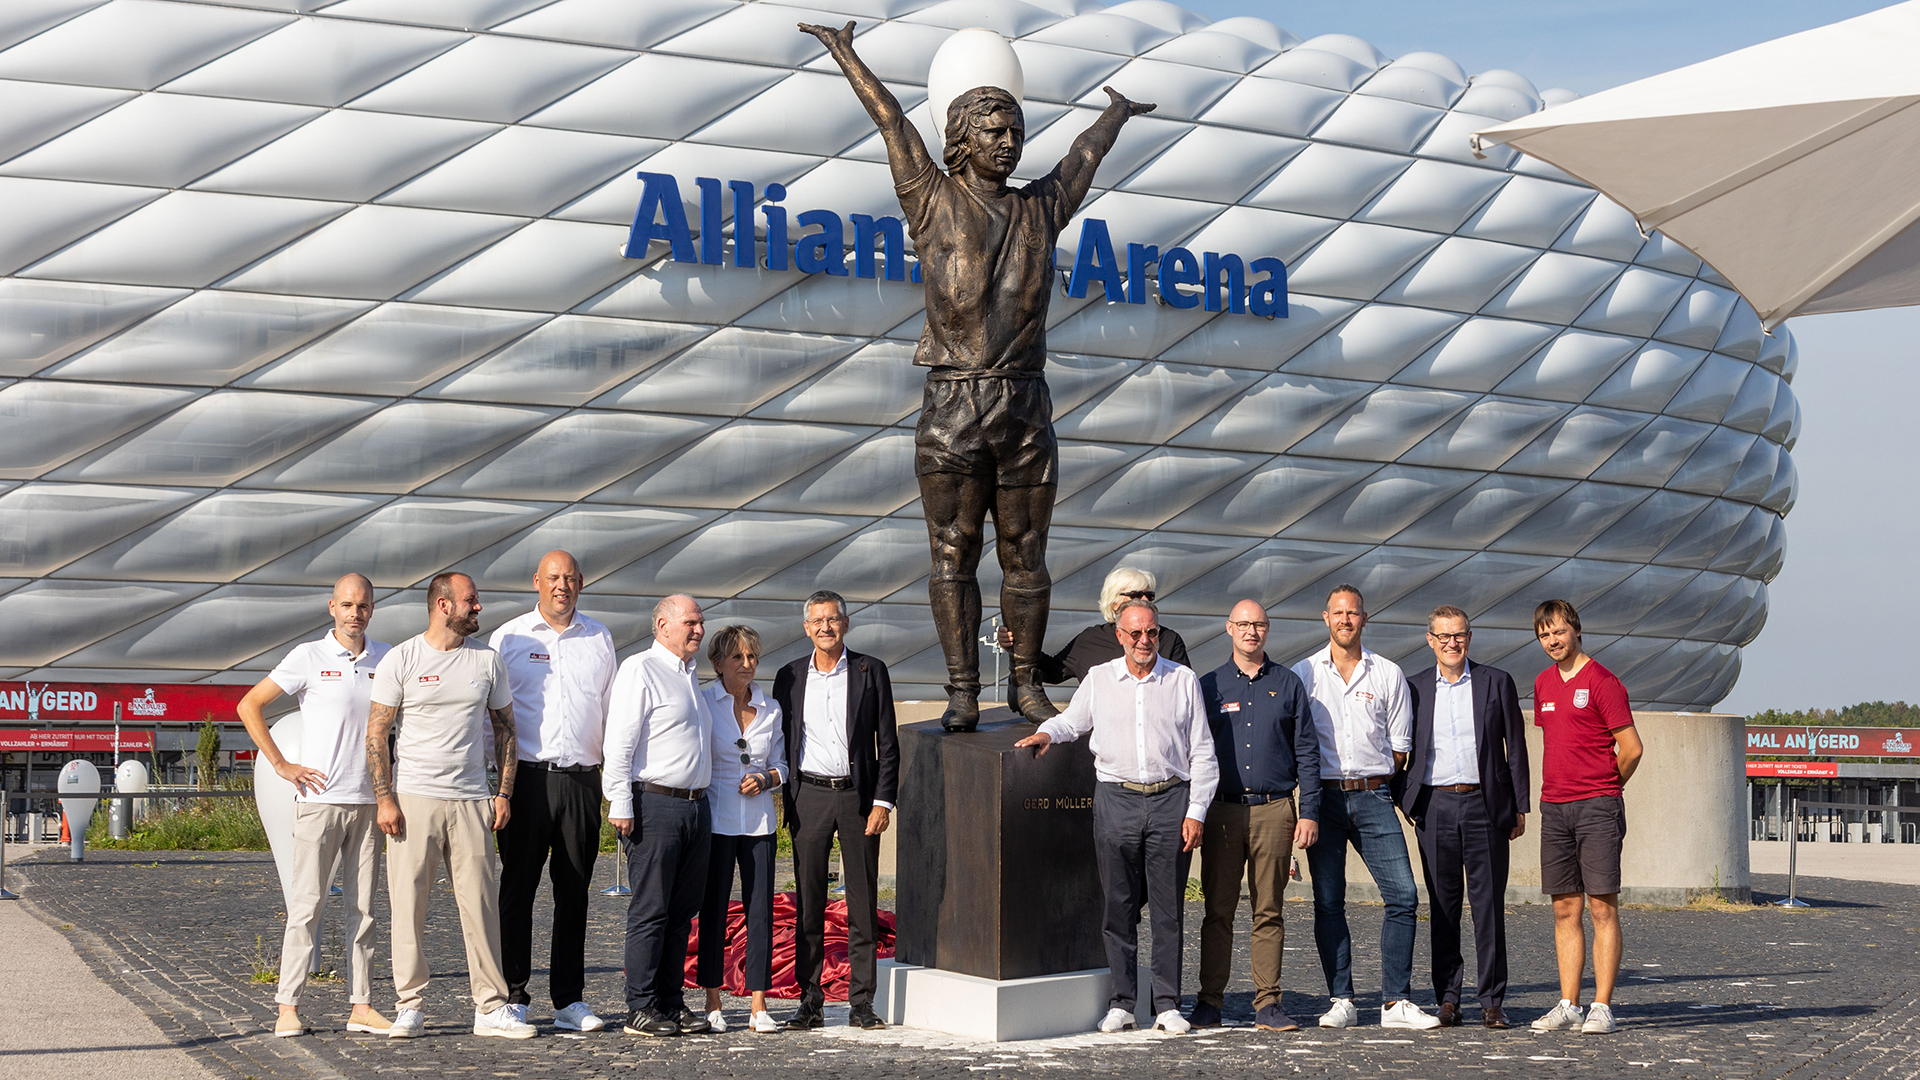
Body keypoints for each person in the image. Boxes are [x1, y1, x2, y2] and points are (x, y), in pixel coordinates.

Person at [800, 19, 1156, 731]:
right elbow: (893, 123)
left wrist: (1114, 114)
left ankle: (1025, 685)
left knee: (1027, 557)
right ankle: (962, 689)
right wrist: (847, 54)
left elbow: (1083, 158)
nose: (1009, 141)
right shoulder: (930, 199)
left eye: (1015, 129)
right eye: (993, 130)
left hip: (1024, 401)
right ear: (961, 136)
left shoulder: (1039, 208)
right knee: (953, 554)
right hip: (954, 400)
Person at [1016, 599, 1218, 1035]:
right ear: (1120, 636)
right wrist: (1047, 732)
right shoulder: (1100, 678)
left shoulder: (1182, 680)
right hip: (1115, 800)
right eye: (1135, 633)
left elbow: (1203, 751)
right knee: (1118, 907)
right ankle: (1122, 1002)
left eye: (1152, 632)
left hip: (1171, 802)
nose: (1145, 641)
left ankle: (1166, 1005)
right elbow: (1073, 720)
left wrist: (1196, 811)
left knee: (1168, 910)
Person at [366, 572, 533, 1039]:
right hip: (413, 800)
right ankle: (410, 1006)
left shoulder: (487, 661)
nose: (478, 608)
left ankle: (490, 1007)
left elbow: (506, 730)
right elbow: (377, 731)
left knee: (480, 907)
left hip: (471, 801)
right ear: (443, 605)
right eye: (470, 601)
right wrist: (385, 798)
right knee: (408, 905)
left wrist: (503, 793)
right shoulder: (403, 658)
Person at [237, 573, 392, 1038]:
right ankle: (288, 1007)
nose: (355, 613)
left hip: (368, 803)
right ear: (332, 608)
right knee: (306, 907)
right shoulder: (308, 656)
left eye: (363, 605)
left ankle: (361, 1007)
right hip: (319, 802)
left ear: (371, 608)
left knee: (363, 912)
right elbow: (249, 705)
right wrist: (282, 764)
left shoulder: (385, 658)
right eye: (347, 605)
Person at [1292, 585, 1438, 1031]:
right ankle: (1342, 999)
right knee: (1328, 901)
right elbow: (1298, 744)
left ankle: (1396, 1002)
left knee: (1403, 896)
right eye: (1338, 613)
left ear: (1364, 618)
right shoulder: (1304, 674)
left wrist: (1371, 781)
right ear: (1325, 618)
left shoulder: (1388, 673)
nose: (1345, 620)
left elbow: (1399, 751)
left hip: (1375, 796)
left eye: (1352, 613)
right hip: (1323, 799)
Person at [489, 550, 616, 1034]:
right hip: (525, 780)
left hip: (582, 780)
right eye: (553, 578)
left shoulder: (599, 637)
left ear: (581, 583)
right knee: (517, 888)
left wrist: (611, 782)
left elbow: (609, 713)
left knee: (575, 889)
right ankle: (512, 995)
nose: (562, 586)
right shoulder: (510, 637)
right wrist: (495, 782)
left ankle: (569, 1000)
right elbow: (492, 716)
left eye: (570, 578)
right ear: (536, 581)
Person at [1189, 599, 1320, 1032]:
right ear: (1229, 628)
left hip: (1275, 810)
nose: (1251, 631)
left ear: (1268, 629)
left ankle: (1268, 1004)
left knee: (1269, 910)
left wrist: (1309, 811)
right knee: (1217, 911)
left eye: (1258, 624)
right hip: (1222, 811)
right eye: (1243, 624)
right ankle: (1209, 1002)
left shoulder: (1287, 684)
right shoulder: (1207, 686)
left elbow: (1306, 750)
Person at [772, 590, 899, 1031]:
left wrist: (884, 801)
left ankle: (862, 1003)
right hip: (809, 796)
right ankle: (809, 1002)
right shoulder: (788, 676)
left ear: (846, 624)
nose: (825, 627)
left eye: (833, 619)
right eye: (817, 621)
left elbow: (888, 743)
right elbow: (781, 740)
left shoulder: (870, 671)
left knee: (861, 902)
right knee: (809, 903)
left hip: (858, 799)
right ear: (806, 628)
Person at [1400, 605, 1530, 1030]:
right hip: (1435, 807)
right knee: (1442, 907)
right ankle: (1448, 999)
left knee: (1488, 907)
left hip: (1485, 806)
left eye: (1459, 635)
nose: (1452, 643)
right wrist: (1409, 802)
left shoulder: (1497, 682)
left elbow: (1516, 747)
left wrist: (1519, 806)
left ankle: (1492, 1000)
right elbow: (1399, 746)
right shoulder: (1414, 687)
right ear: (1430, 640)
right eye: (1443, 636)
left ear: (1469, 638)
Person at [1529, 599, 1643, 1036]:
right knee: (1564, 909)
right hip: (1554, 807)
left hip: (1597, 806)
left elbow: (1631, 748)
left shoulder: (1603, 682)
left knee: (1601, 907)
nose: (1552, 641)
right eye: (1543, 635)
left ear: (1575, 630)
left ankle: (1601, 1006)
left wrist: (1607, 787)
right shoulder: (1542, 683)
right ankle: (1568, 1004)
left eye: (1558, 632)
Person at [603, 595, 715, 1037]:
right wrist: (620, 802)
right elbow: (620, 742)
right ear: (663, 625)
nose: (698, 630)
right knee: (650, 910)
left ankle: (670, 1000)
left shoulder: (689, 676)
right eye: (690, 622)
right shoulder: (641, 670)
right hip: (656, 804)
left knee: (680, 912)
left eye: (700, 622)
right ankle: (641, 1006)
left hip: (694, 806)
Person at [696, 624, 787, 1035]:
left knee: (760, 913)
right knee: (713, 909)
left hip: (759, 822)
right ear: (718, 664)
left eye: (752, 657)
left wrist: (767, 779)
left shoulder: (771, 708)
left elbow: (782, 764)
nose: (747, 664)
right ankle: (712, 998)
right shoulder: (702, 702)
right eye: (738, 657)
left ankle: (758, 1003)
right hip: (715, 820)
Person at [997, 566, 1191, 701]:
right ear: (1114, 602)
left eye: (1149, 596)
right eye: (1135, 595)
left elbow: (1184, 692)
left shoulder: (1168, 639)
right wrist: (1015, 644)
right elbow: (1053, 671)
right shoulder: (1090, 640)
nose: (1144, 600)